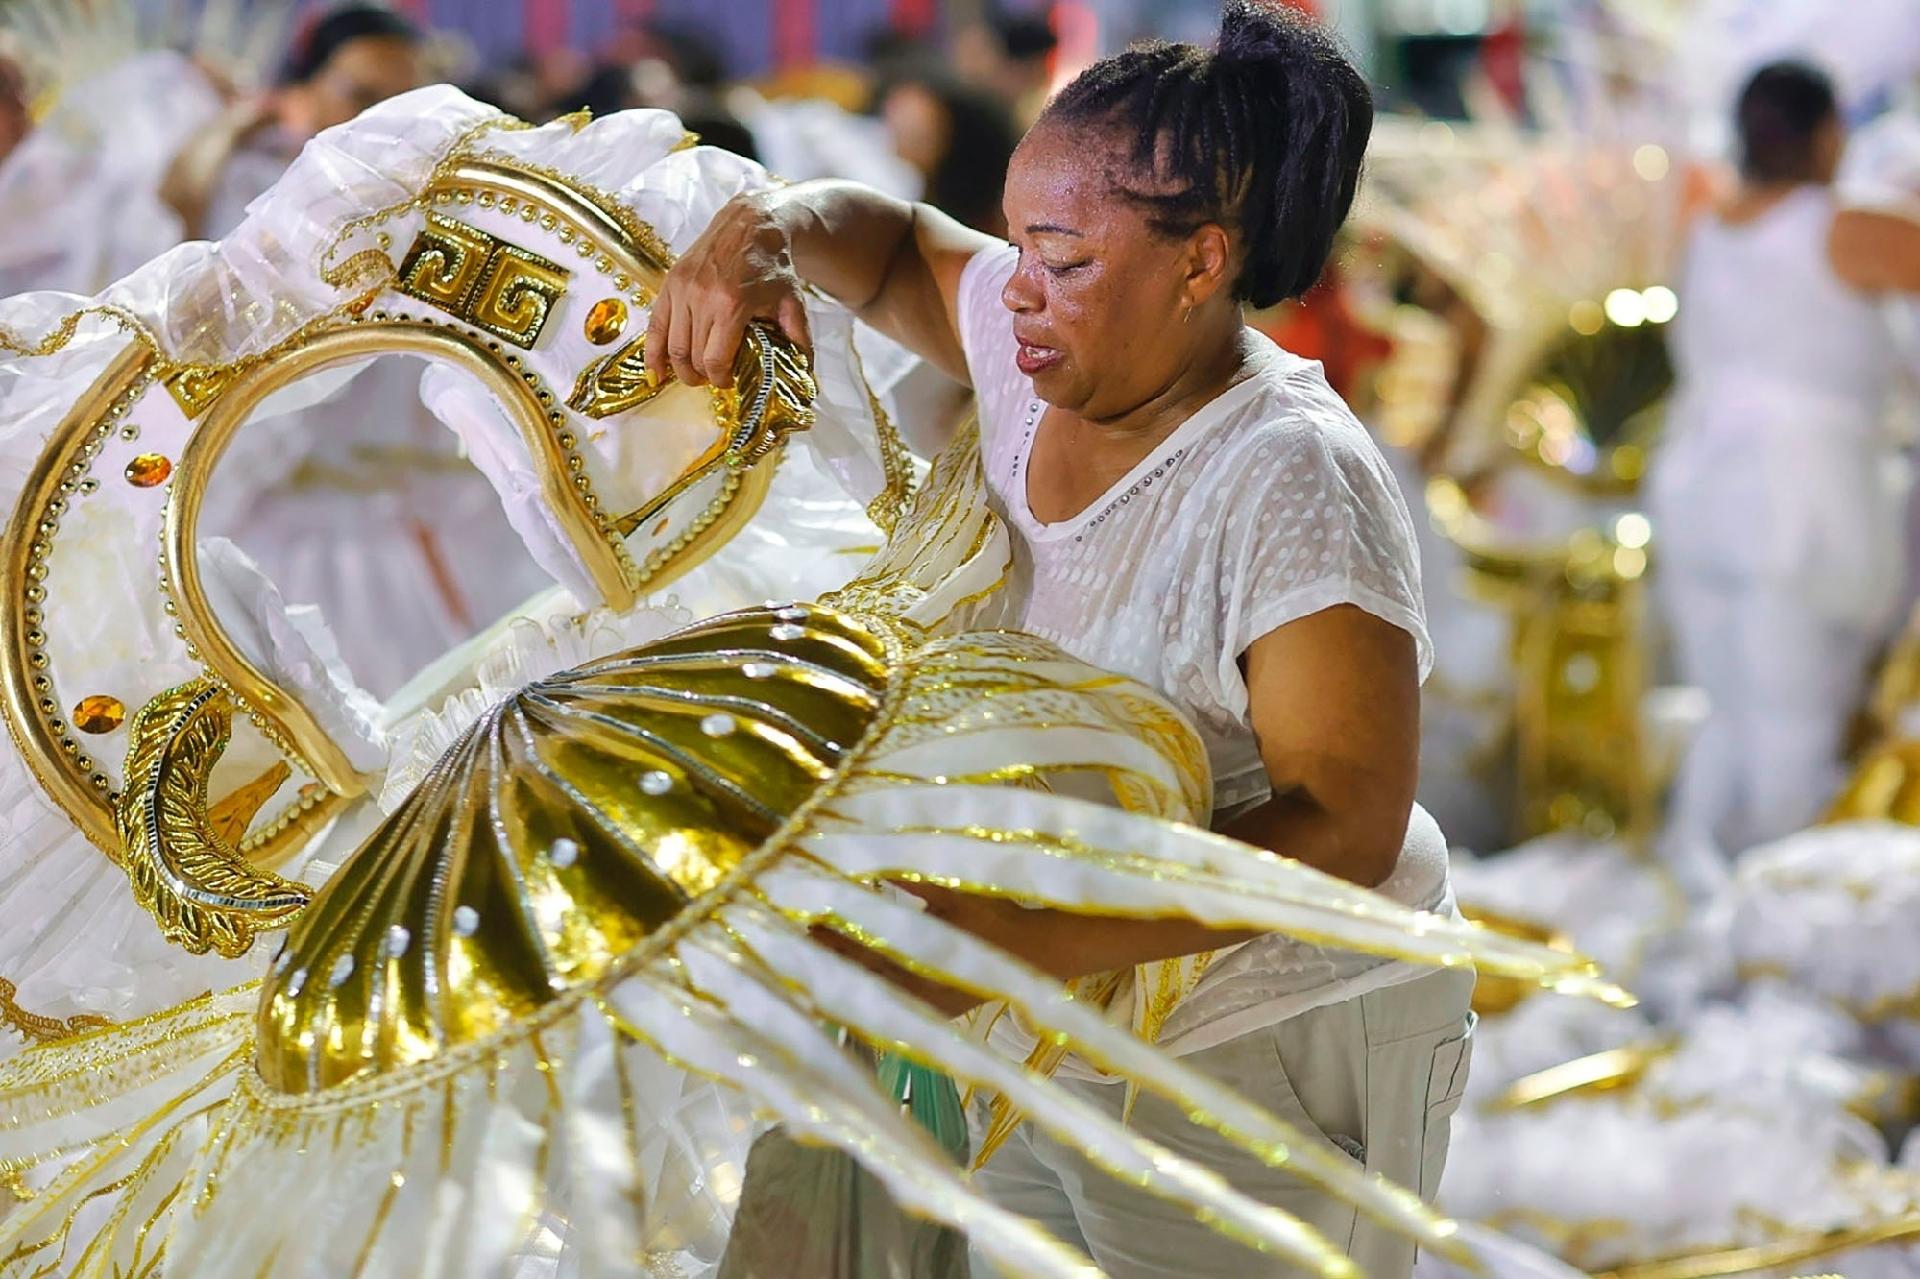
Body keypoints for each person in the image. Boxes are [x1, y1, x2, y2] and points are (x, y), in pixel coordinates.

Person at [646, 3, 1472, 1275]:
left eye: (1064, 259)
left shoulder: (1286, 478)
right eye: (1017, 242)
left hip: (1262, 1038)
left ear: (1202, 263)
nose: (1017, 287)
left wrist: (1004, 936)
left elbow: (1346, 827)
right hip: (1049, 1018)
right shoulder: (1038, 347)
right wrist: (763, 231)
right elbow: (896, 247)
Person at [1650, 61, 1920, 879]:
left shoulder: (1704, 225)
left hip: (1699, 488)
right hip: (1799, 498)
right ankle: (1775, 905)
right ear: (1828, 134)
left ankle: (1703, 885)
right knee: (1796, 723)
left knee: (1727, 713)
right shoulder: (1843, 226)